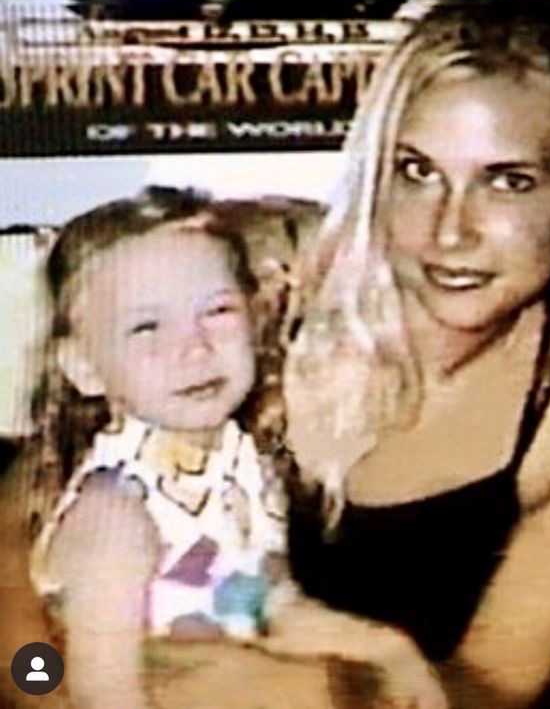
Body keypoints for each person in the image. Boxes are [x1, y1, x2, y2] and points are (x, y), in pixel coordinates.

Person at [282, 0, 550, 706]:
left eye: (507, 182)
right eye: (417, 172)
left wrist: (268, 686)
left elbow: (485, 692)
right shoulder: (264, 323)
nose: (449, 231)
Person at [4, 188, 446, 708]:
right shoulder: (115, 515)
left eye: (217, 310)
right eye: (146, 326)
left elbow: (270, 611)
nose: (195, 347)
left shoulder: (239, 471)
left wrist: (390, 651)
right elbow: (104, 694)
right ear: (84, 368)